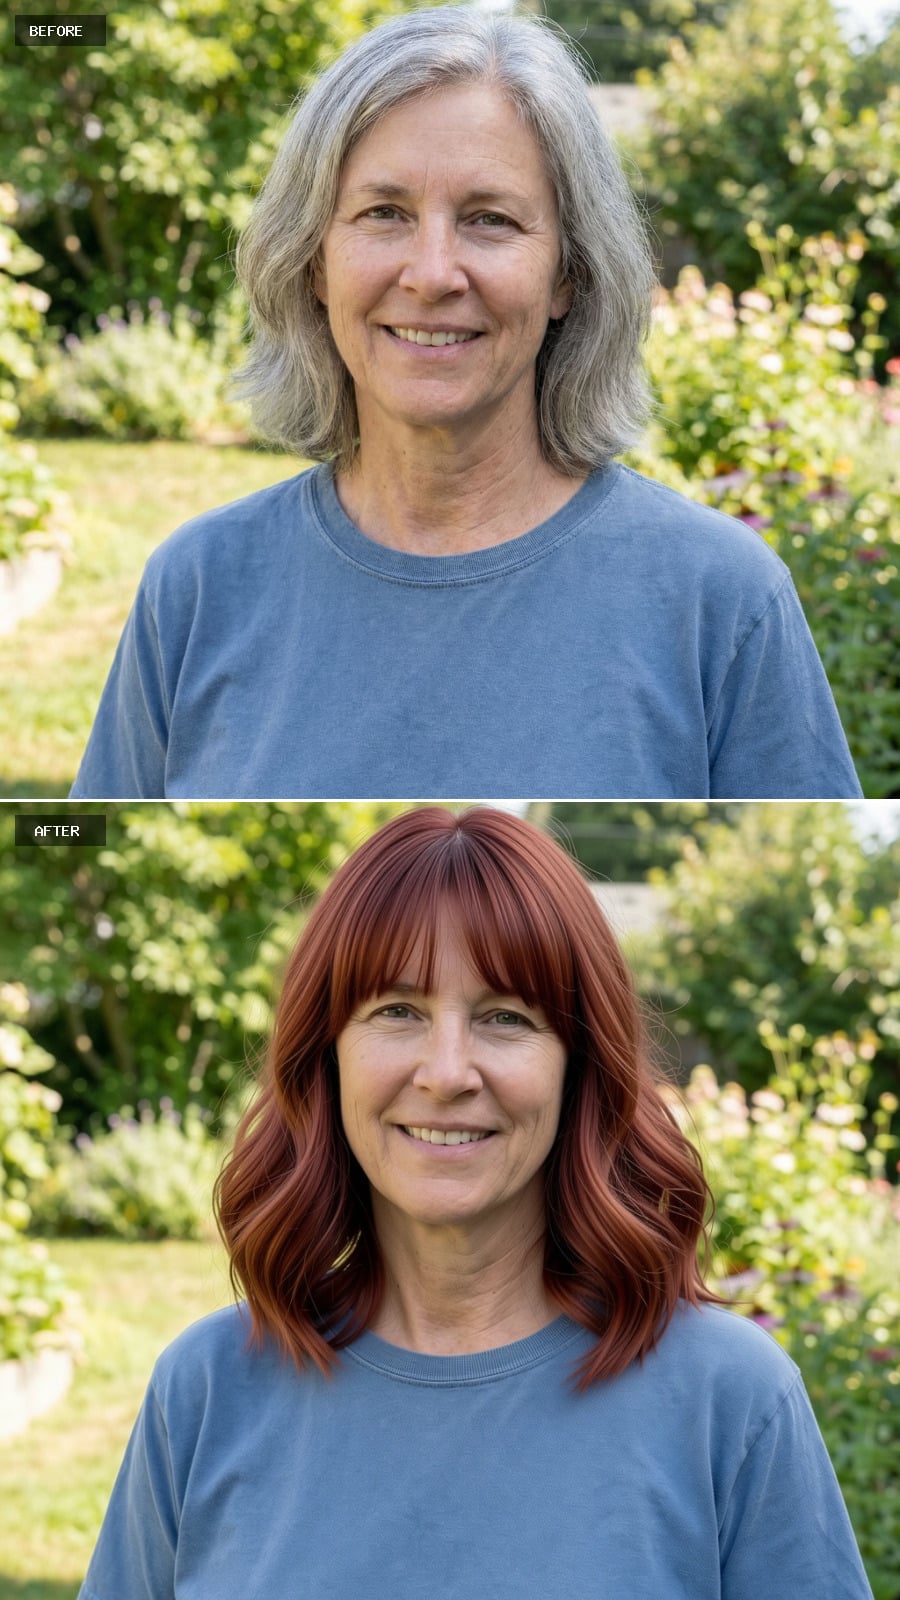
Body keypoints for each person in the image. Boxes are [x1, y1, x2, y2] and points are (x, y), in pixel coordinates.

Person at [78, 807, 873, 1600]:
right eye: (397, 1010)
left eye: (505, 1018)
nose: (447, 1071)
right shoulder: (209, 1389)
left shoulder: (728, 1402)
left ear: (579, 1065)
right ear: (327, 1055)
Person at [70, 8, 861, 801]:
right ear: (313, 262)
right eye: (385, 213)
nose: (433, 272)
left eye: (491, 220)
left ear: (568, 275)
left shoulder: (720, 601)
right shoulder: (199, 585)